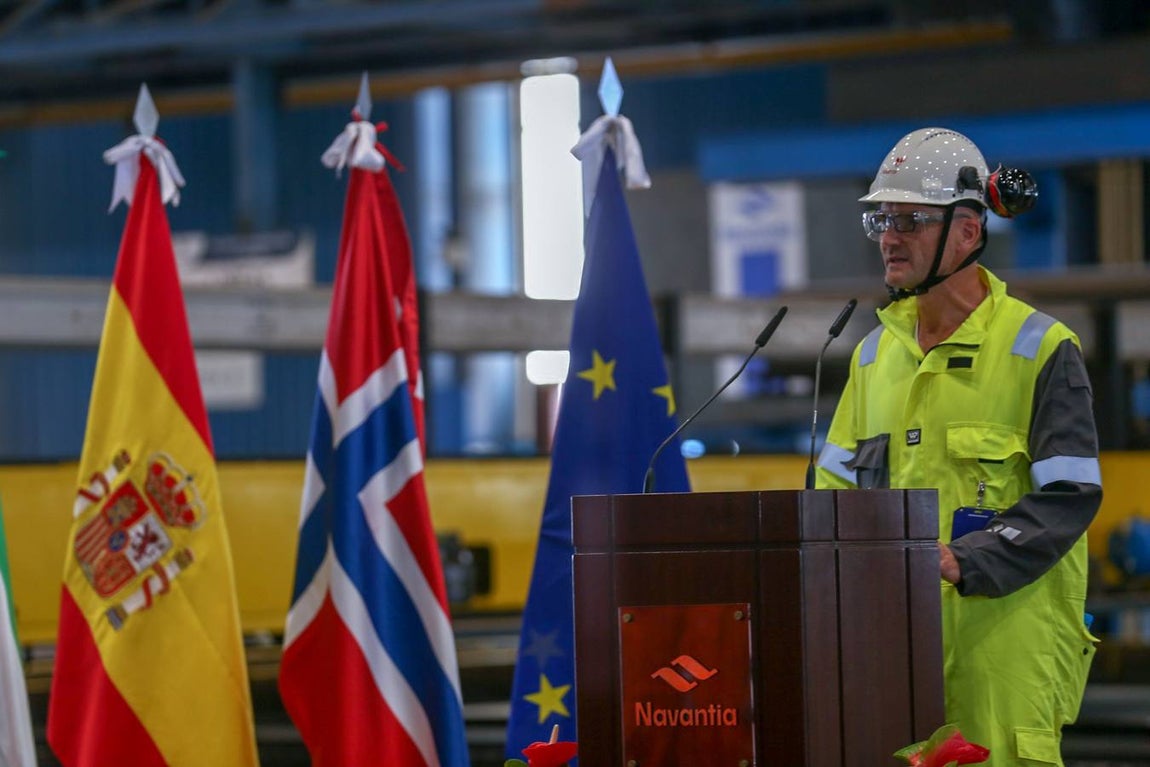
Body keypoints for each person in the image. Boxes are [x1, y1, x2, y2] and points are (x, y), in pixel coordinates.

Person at [815, 127, 1102, 766]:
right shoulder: (871, 358)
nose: (889, 237)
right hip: (891, 656)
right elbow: (831, 499)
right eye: (882, 219)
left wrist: (967, 559)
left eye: (910, 220)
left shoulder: (1039, 348)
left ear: (968, 232)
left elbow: (1068, 494)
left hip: (1004, 660)